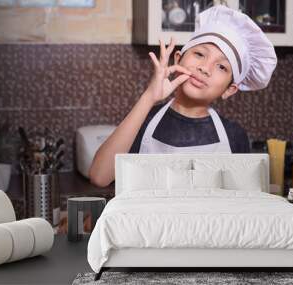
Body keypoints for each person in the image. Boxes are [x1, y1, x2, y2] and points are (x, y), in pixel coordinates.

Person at [89, 5, 277, 187]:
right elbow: (99, 177)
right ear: (178, 59)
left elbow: (243, 206)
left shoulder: (235, 136)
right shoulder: (142, 120)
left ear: (230, 89)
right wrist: (149, 96)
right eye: (199, 54)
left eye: (222, 66)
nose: (205, 68)